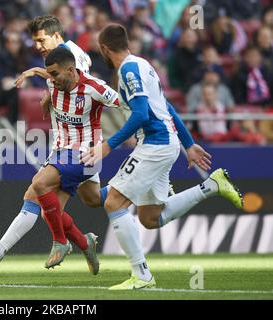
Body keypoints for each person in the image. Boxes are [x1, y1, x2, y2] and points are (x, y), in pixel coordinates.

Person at [80, 24, 243, 290]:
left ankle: (141, 275)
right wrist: (188, 144)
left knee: (113, 202)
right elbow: (166, 107)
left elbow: (142, 114)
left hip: (154, 145)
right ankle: (211, 186)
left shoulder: (128, 71)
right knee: (150, 217)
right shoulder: (144, 65)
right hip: (166, 143)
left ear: (104, 49)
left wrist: (108, 146)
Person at [0, 15, 112, 273]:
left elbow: (79, 82)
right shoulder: (60, 57)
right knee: (86, 200)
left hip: (79, 146)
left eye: (41, 40)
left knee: (39, 193)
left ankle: (10, 248)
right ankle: (85, 243)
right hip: (65, 142)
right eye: (35, 41)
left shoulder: (72, 54)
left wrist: (40, 76)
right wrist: (50, 91)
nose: (38, 46)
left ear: (56, 35)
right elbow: (66, 84)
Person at [32, 47, 121, 269]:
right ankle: (85, 243)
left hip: (87, 155)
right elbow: (48, 77)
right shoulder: (55, 82)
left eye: (54, 74)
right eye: (48, 74)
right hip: (63, 152)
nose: (50, 79)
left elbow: (127, 105)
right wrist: (41, 87)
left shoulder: (95, 88)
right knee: (51, 213)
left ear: (71, 70)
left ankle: (60, 242)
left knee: (39, 184)